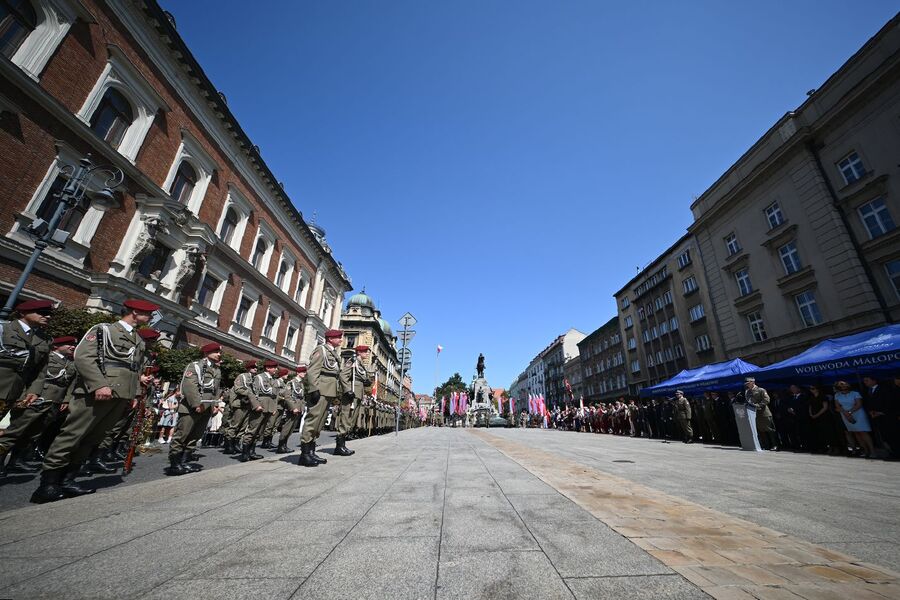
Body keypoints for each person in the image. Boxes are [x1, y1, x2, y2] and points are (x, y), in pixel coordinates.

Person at [31, 298, 157, 503]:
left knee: (93, 437)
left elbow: (134, 370)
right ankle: (48, 484)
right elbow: (83, 357)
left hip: (120, 395)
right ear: (134, 312)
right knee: (73, 434)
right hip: (97, 392)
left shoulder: (137, 338)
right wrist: (98, 384)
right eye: (147, 313)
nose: (150, 318)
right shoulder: (104, 330)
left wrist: (134, 394)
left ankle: (69, 479)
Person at [0, 335, 76, 476]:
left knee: (33, 434)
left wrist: (66, 400)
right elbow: (30, 378)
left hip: (54, 402)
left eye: (73, 345)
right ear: (56, 346)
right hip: (35, 399)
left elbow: (70, 384)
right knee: (15, 432)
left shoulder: (71, 363)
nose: (72, 347)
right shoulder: (45, 359)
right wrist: (23, 398)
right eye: (68, 344)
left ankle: (16, 462)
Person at [167, 342, 222, 475]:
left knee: (195, 435)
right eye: (216, 352)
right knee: (182, 435)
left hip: (207, 408)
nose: (219, 354)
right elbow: (189, 386)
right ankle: (174, 464)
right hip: (192, 408)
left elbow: (215, 390)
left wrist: (214, 405)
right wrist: (197, 404)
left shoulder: (216, 370)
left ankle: (185, 461)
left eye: (219, 352)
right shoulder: (195, 366)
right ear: (206, 353)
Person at [298, 329, 349, 467]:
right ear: (330, 339)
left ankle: (311, 451)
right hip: (320, 390)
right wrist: (313, 390)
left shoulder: (332, 352)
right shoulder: (321, 350)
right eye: (338, 337)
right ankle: (304, 454)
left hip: (329, 391)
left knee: (319, 422)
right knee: (313, 420)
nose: (341, 340)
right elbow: (313, 371)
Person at [0, 299, 53, 421]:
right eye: (43, 312)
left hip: (12, 392)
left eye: (50, 314)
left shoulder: (45, 339)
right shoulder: (4, 329)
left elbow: (40, 370)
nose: (48, 316)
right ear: (23, 313)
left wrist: (34, 390)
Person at [337, 345, 373, 456]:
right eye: (365, 352)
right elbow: (343, 375)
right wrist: (347, 390)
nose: (367, 354)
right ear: (359, 352)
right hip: (351, 393)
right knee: (346, 418)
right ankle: (339, 446)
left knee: (351, 420)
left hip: (358, 394)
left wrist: (366, 381)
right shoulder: (352, 361)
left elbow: (360, 377)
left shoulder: (361, 364)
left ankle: (342, 444)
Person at [240, 359, 278, 462]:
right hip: (260, 406)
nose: (275, 369)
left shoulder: (273, 380)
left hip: (269, 407)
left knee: (260, 430)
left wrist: (274, 408)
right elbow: (252, 393)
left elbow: (275, 396)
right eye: (274, 367)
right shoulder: (259, 378)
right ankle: (245, 452)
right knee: (253, 429)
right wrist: (256, 405)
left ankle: (252, 451)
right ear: (268, 368)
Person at [222, 359, 256, 454]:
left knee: (243, 426)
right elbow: (238, 389)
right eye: (253, 367)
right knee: (235, 425)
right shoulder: (242, 376)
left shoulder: (253, 378)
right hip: (240, 404)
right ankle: (228, 445)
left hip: (248, 405)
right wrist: (250, 394)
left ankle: (236, 443)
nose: (255, 369)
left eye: (256, 367)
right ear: (248, 368)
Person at [833, 380, 875, 458]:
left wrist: (849, 412)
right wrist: (845, 413)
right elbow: (838, 406)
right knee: (856, 433)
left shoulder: (855, 393)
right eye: (841, 385)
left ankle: (872, 451)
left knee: (863, 432)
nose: (843, 385)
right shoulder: (837, 395)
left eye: (844, 384)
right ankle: (865, 451)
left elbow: (859, 404)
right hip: (845, 415)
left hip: (858, 413)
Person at [863, 375, 898, 459]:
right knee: (884, 436)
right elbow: (867, 403)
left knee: (893, 435)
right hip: (876, 417)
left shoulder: (884, 389)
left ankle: (897, 452)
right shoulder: (867, 391)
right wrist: (871, 411)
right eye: (864, 381)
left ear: (874, 380)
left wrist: (881, 412)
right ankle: (892, 452)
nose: (865, 382)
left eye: (867, 380)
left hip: (887, 416)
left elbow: (889, 402)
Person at [275, 366, 306, 453]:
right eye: (303, 372)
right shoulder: (291, 383)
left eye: (305, 372)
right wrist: (293, 408)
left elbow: (302, 397)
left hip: (299, 408)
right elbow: (287, 397)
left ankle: (285, 445)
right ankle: (281, 446)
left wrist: (302, 408)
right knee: (287, 426)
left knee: (292, 428)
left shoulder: (301, 384)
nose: (304, 374)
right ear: (298, 373)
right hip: (293, 408)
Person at [744, 377, 778, 450]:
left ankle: (775, 445)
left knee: (770, 430)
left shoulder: (761, 390)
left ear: (753, 382)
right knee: (761, 430)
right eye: (746, 383)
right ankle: (766, 445)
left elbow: (767, 399)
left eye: (748, 383)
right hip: (754, 414)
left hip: (764, 413)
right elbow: (748, 401)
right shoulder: (747, 391)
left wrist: (758, 405)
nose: (747, 384)